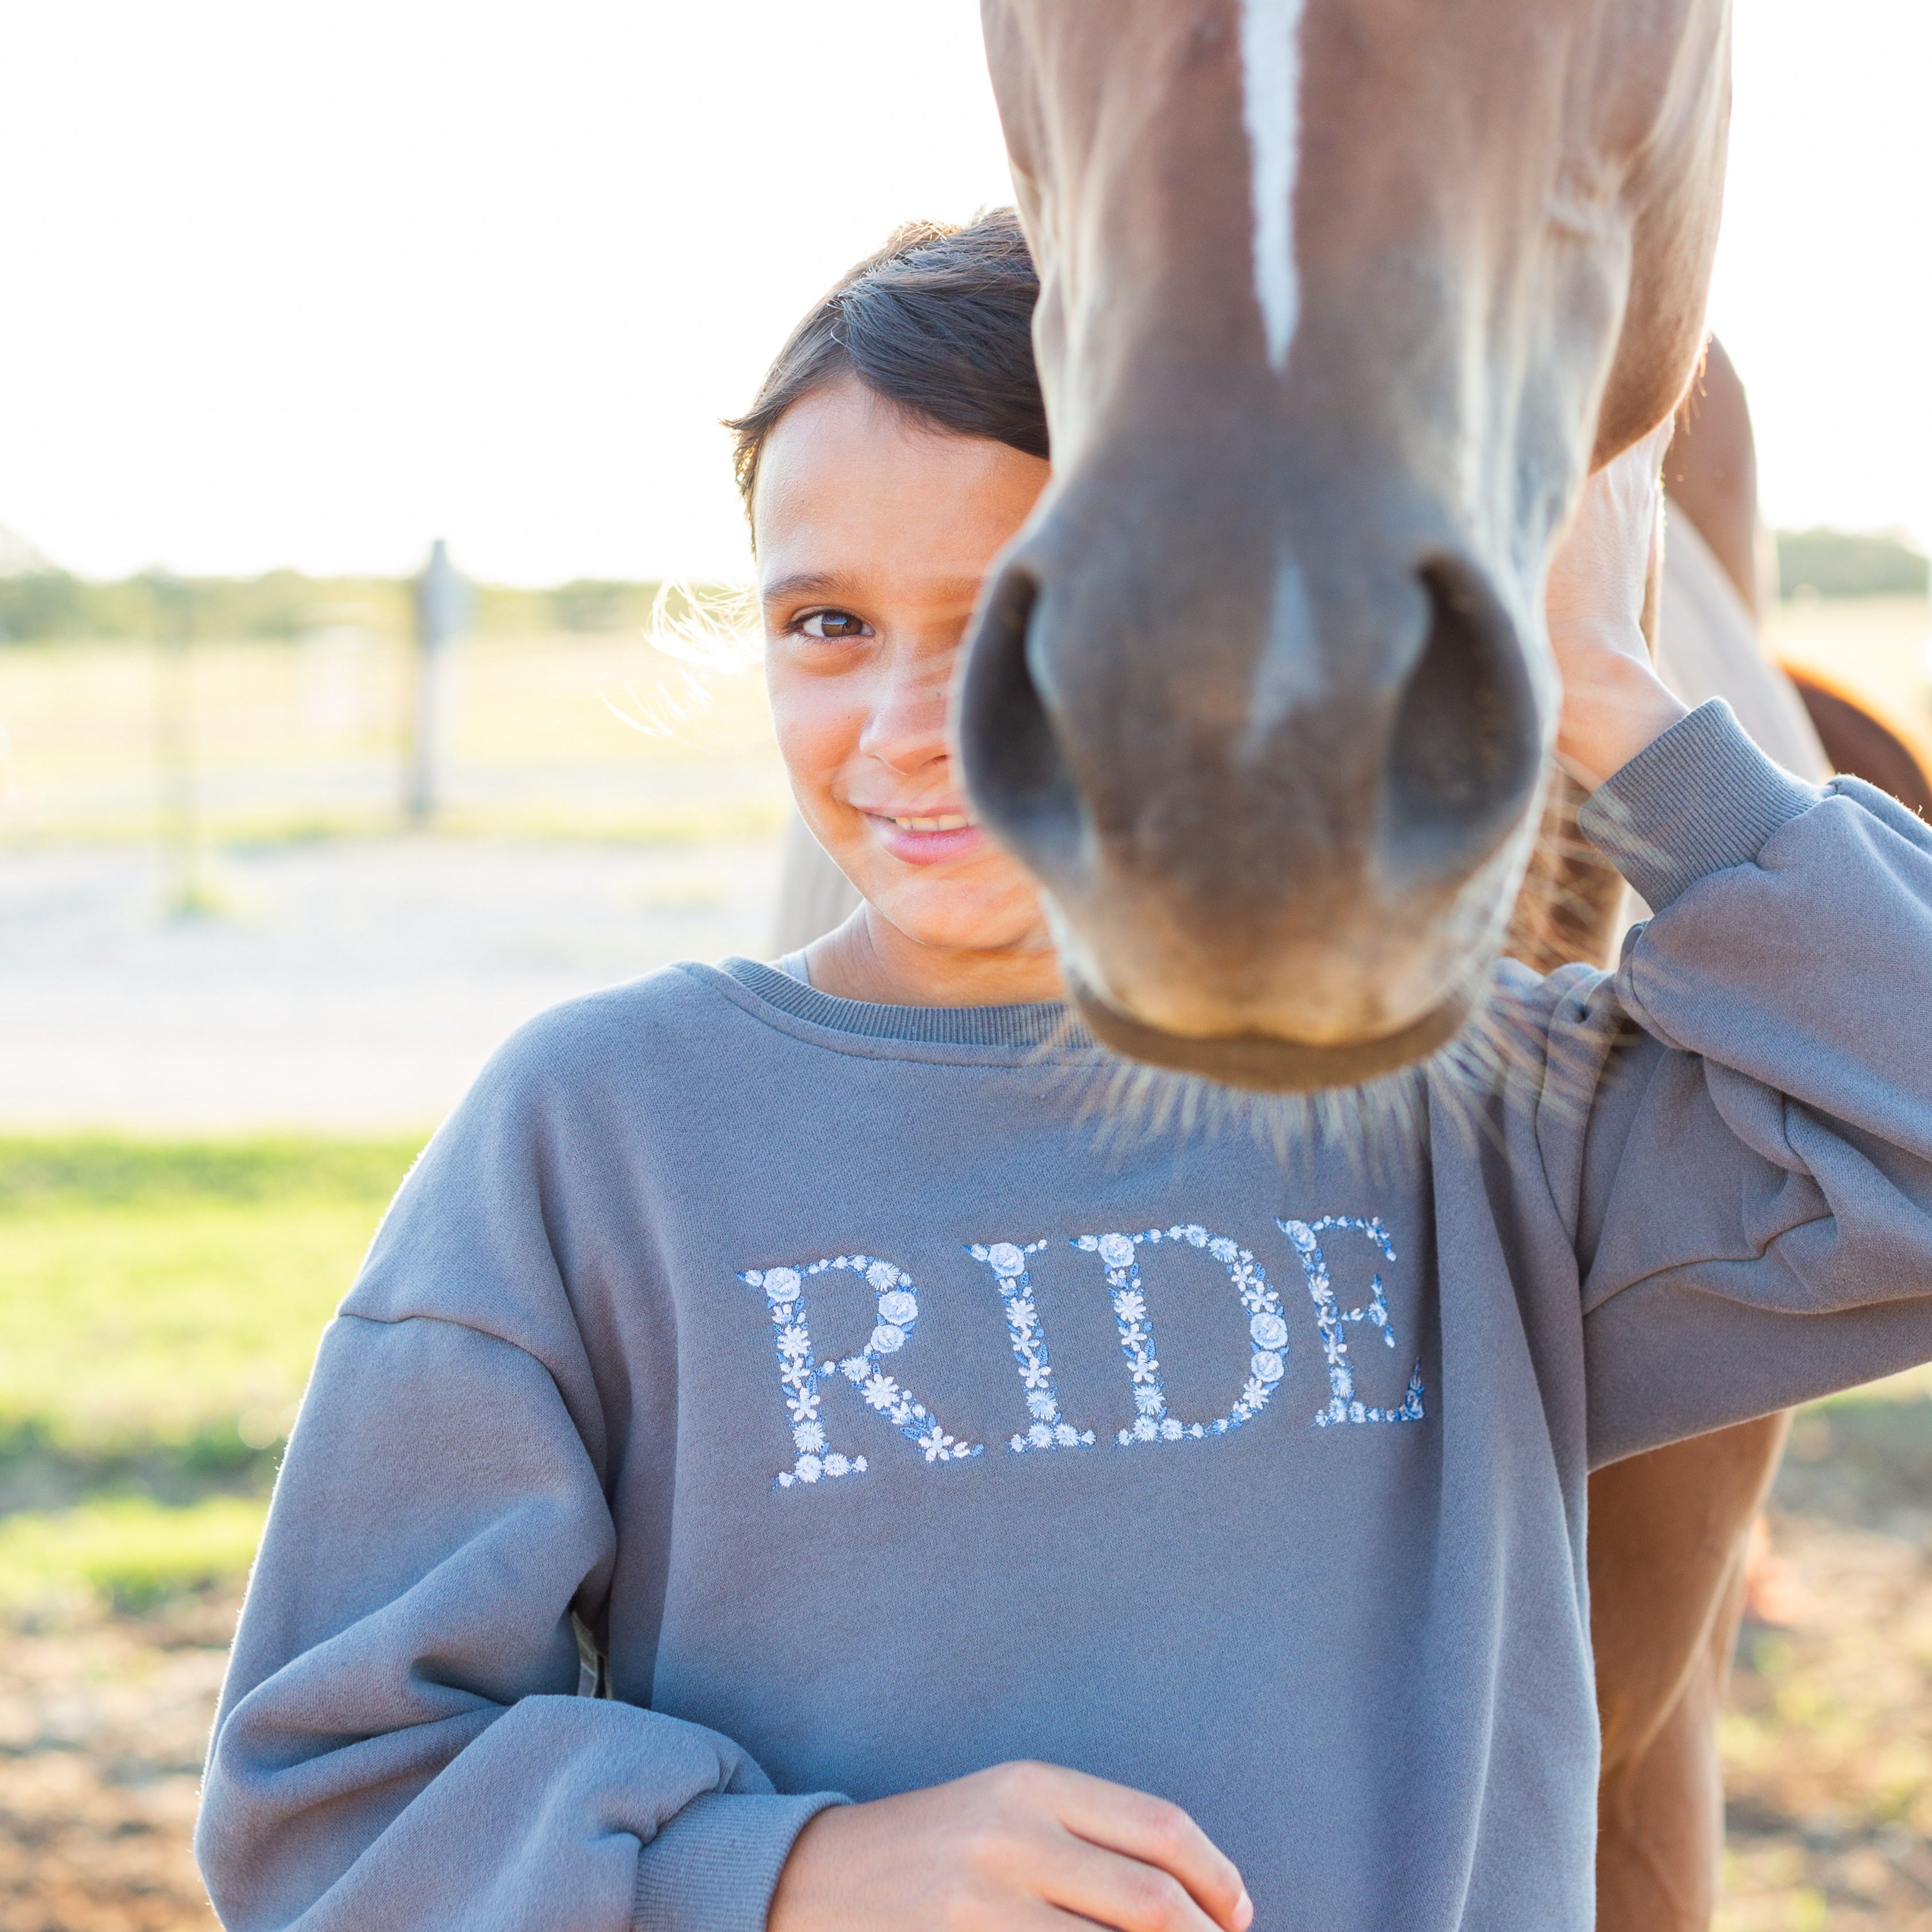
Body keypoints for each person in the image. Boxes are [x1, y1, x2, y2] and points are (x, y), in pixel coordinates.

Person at [195, 211, 1932, 1932]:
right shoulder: (599, 1134)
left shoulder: (1467, 1114)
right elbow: (329, 1811)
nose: (902, 729)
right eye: (824, 623)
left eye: (1026, 617)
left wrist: (1606, 693)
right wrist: (789, 1873)